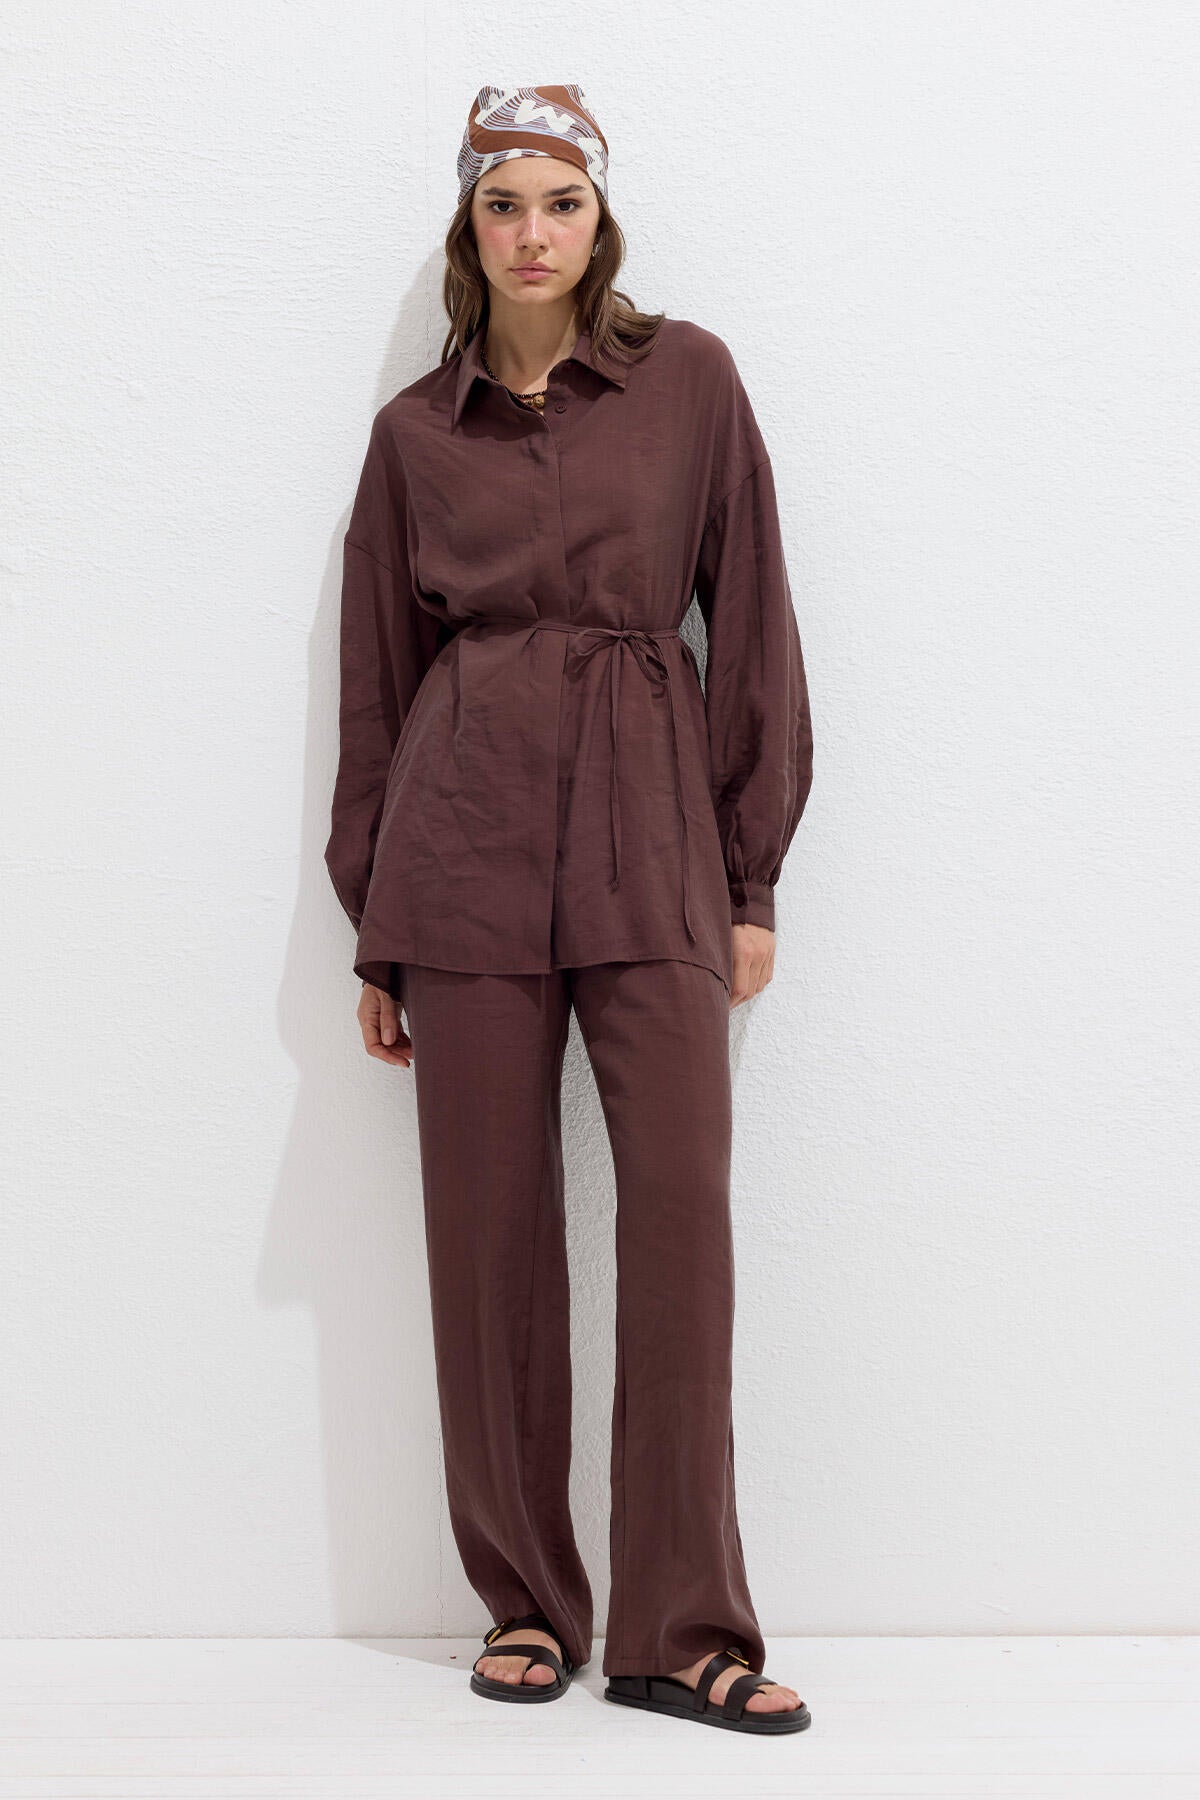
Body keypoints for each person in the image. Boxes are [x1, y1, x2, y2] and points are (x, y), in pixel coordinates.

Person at [324, 84, 814, 1737]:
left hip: (651, 837)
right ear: (465, 230)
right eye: (501, 204)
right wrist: (375, 921)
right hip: (458, 851)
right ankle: (526, 1604)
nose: (532, 233)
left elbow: (753, 626)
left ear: (601, 221)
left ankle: (681, 1628)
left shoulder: (692, 383)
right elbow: (376, 686)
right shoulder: (415, 434)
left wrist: (750, 875)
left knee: (679, 1216)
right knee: (488, 1239)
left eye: (561, 202)